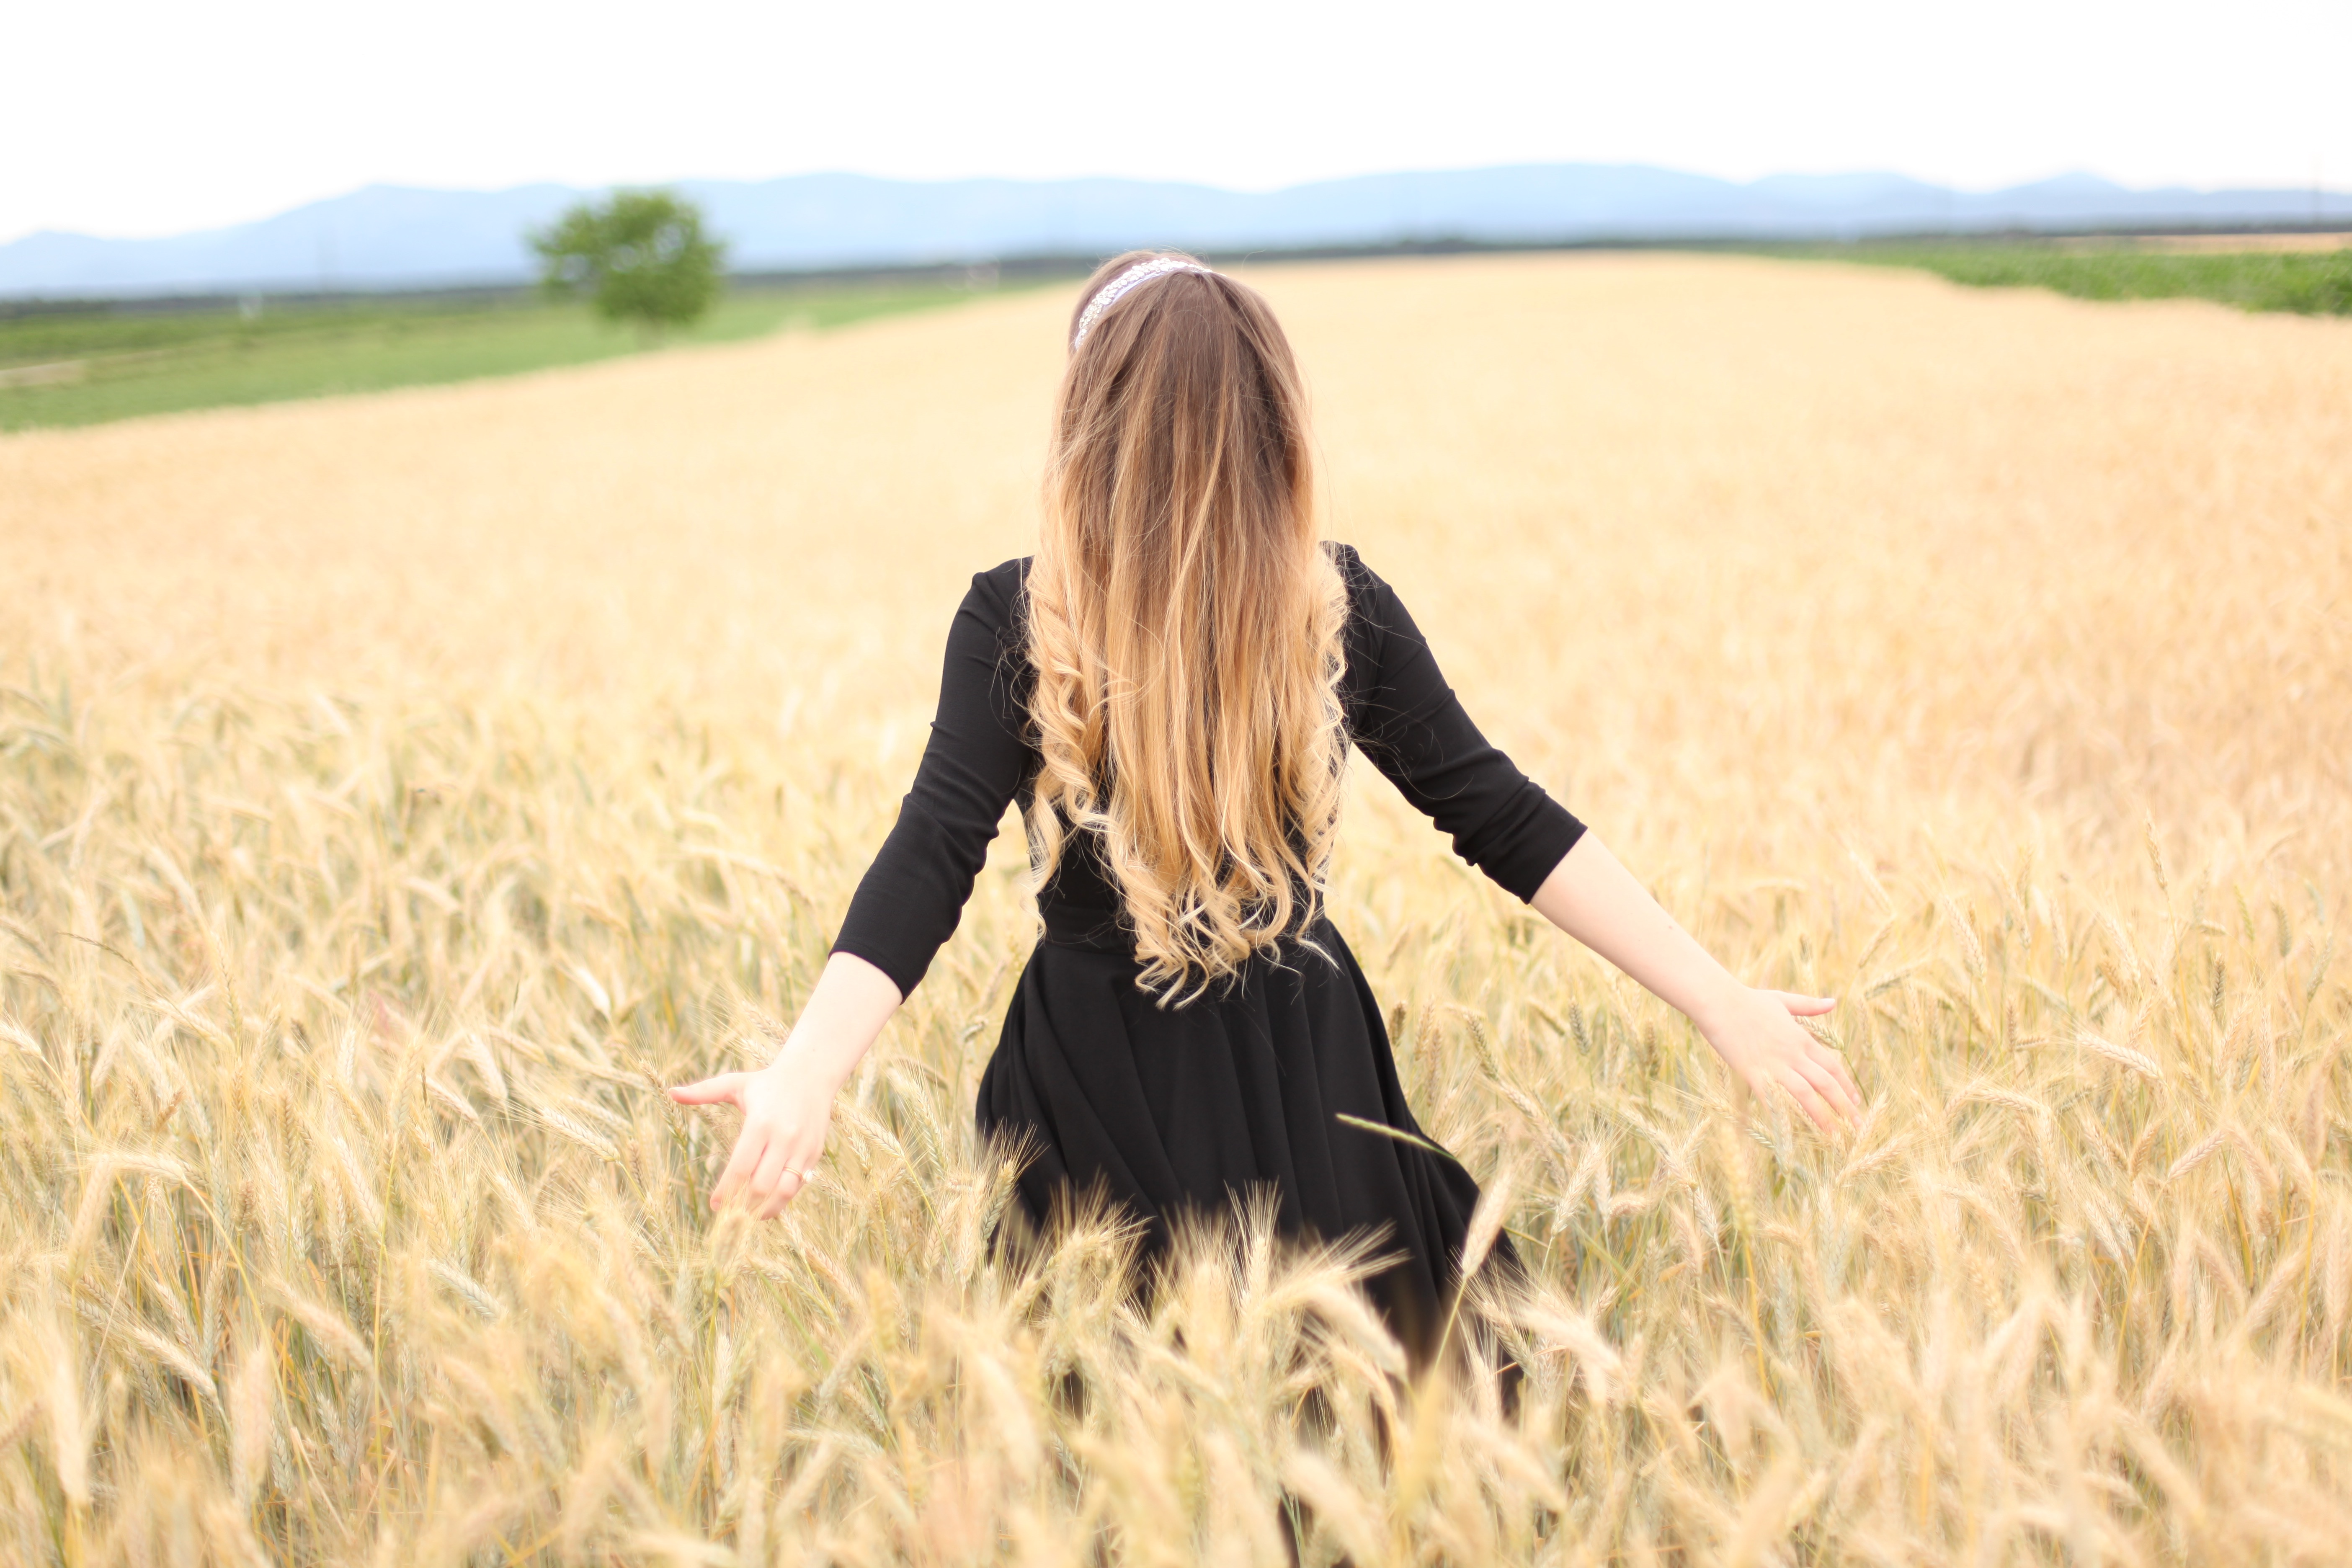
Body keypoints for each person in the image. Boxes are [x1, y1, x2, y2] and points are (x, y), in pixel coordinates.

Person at [670, 250, 1860, 1369]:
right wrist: (1718, 998)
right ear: (1272, 423)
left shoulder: (1016, 615)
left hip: (1091, 1080)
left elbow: (933, 849)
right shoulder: (1338, 602)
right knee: (1368, 1413)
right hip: (1305, 1055)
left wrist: (807, 1073)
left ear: (1087, 425)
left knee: (1109, 1434)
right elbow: (1502, 814)